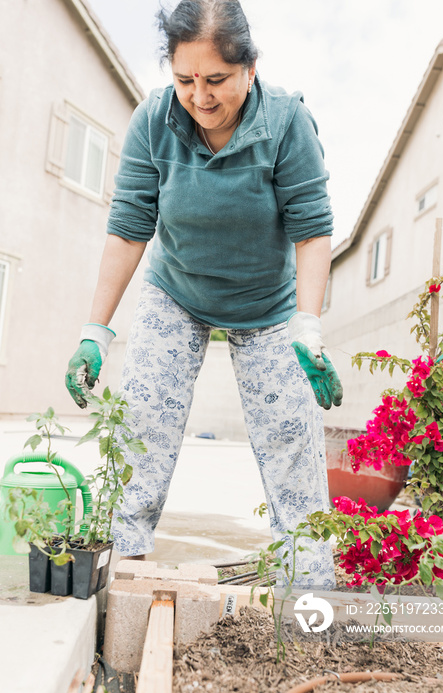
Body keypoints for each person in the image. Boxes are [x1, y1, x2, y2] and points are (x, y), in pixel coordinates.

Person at [65, 0, 342, 589]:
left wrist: (308, 326)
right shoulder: (153, 120)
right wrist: (96, 329)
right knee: (144, 416)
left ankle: (310, 583)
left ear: (250, 67)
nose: (201, 96)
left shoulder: (287, 122)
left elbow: (312, 230)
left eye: (216, 79)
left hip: (267, 306)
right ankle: (123, 557)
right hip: (177, 292)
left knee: (290, 435)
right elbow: (129, 225)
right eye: (185, 79)